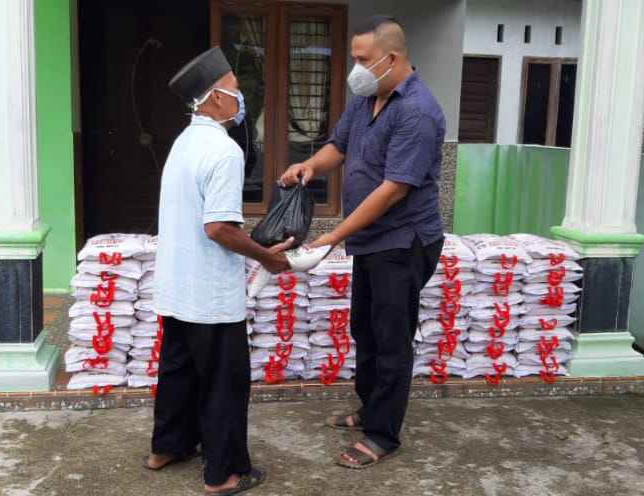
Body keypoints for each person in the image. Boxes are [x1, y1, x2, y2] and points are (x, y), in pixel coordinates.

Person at [280, 16, 446, 469]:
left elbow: (394, 189)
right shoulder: (366, 97)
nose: (355, 68)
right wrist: (310, 166)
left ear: (391, 59)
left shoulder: (418, 112)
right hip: (371, 242)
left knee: (391, 339)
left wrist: (333, 236)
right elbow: (339, 144)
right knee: (365, 330)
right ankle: (370, 408)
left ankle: (382, 435)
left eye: (362, 60)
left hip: (404, 241)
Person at [148, 46, 291, 495]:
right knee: (224, 384)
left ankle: (167, 448)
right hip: (210, 296)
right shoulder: (224, 151)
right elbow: (218, 228)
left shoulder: (183, 142)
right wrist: (267, 257)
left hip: (176, 288)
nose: (240, 96)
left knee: (178, 372)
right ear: (212, 98)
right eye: (233, 88)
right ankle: (224, 472)